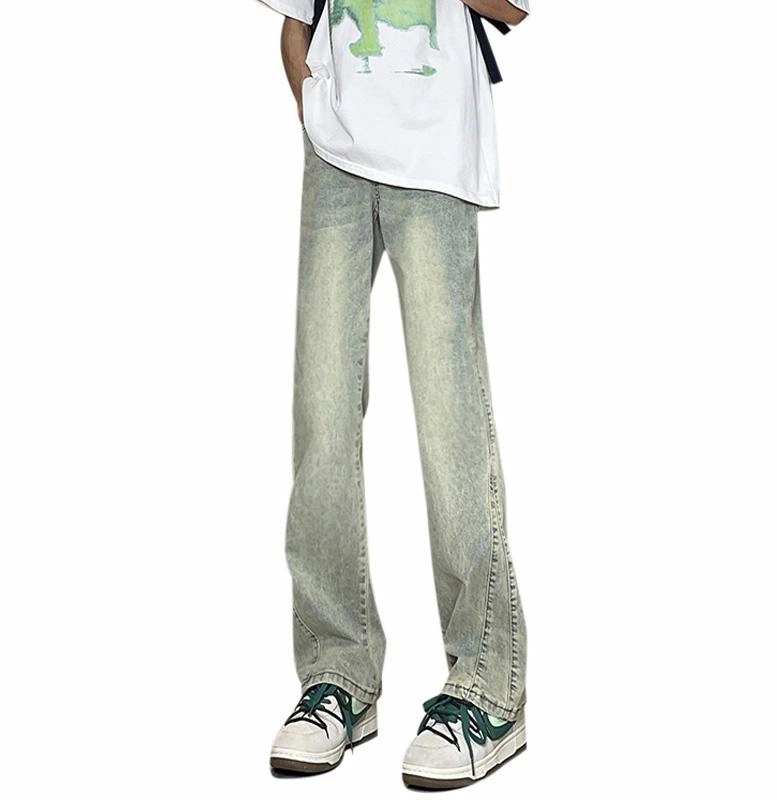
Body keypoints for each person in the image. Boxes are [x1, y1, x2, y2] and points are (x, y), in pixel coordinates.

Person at [259, 0, 530, 788]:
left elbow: (515, 9)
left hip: (435, 158)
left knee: (450, 420)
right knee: (321, 414)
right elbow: (295, 22)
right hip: (335, 162)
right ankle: (337, 675)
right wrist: (315, 113)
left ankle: (489, 686)